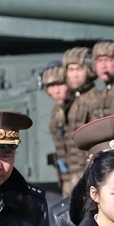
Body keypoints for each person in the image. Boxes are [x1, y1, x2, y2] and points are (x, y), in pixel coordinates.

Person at [43, 60, 86, 195]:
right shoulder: (57, 112)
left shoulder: (84, 105)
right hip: (67, 179)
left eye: (60, 84)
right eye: (51, 85)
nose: (56, 91)